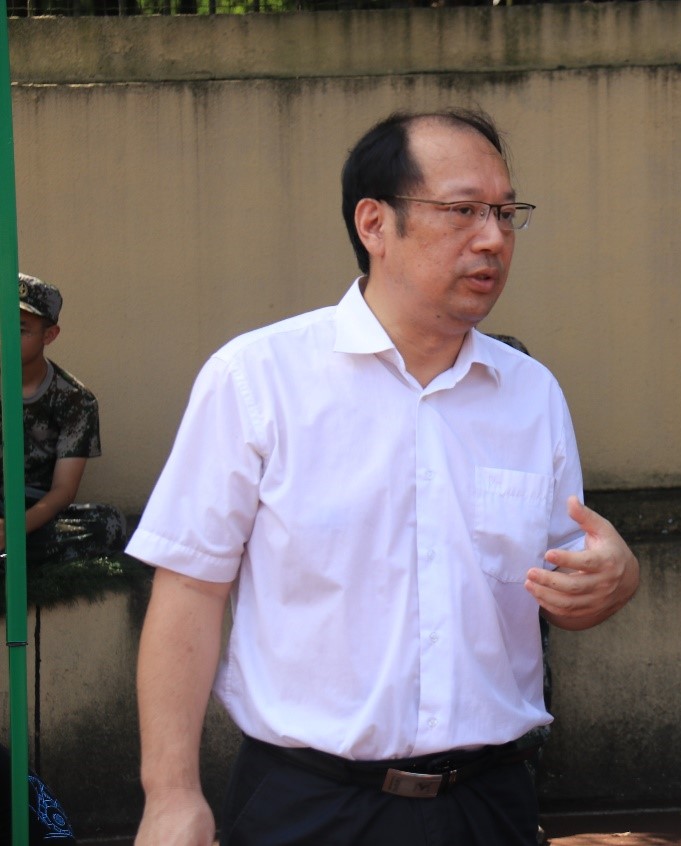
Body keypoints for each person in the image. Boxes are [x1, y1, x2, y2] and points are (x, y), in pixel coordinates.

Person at [129, 108, 640, 846]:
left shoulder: (531, 394)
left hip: (487, 803)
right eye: (462, 210)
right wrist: (171, 794)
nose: (493, 238)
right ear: (374, 223)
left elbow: (569, 580)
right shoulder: (258, 378)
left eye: (505, 213)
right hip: (307, 807)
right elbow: (189, 586)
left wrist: (615, 579)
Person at [0, 274, 125, 565]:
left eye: (21, 329)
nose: (7, 335)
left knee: (109, 524)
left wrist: (14, 530)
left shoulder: (75, 400)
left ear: (49, 335)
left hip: (36, 511)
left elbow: (63, 490)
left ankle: (10, 552)